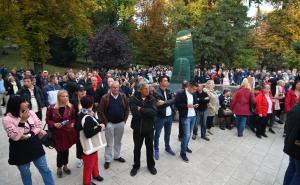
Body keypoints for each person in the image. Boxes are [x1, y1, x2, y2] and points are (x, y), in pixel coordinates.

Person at [2, 95, 55, 185]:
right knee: (26, 173)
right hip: (19, 149)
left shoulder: (30, 112)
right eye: (24, 101)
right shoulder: (7, 119)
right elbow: (15, 136)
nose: (27, 103)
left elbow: (38, 126)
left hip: (34, 144)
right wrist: (22, 121)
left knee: (45, 169)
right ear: (17, 104)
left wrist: (30, 134)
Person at [98, 81, 129, 170]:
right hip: (110, 124)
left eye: (117, 87)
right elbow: (100, 111)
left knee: (118, 141)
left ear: (119, 87)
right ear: (110, 88)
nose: (115, 89)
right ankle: (108, 159)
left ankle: (117, 156)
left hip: (120, 123)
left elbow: (127, 109)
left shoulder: (123, 96)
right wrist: (106, 123)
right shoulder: (105, 98)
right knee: (109, 143)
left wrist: (124, 121)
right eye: (114, 87)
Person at [46, 90, 77, 178]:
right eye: (63, 96)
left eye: (67, 96)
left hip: (67, 133)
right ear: (59, 97)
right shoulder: (52, 107)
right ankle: (59, 167)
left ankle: (65, 166)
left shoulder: (70, 107)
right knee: (60, 151)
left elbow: (74, 118)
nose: (65, 98)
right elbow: (47, 120)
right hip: (57, 134)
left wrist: (73, 123)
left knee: (66, 150)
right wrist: (54, 124)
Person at [129, 83, 157, 176]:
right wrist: (146, 111)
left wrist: (141, 109)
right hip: (138, 129)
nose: (147, 90)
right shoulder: (133, 99)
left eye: (148, 88)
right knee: (137, 148)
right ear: (140, 90)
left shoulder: (152, 98)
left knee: (149, 148)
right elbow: (134, 113)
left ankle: (151, 165)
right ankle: (136, 166)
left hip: (149, 128)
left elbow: (153, 112)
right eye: (145, 89)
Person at [78, 96, 105, 185]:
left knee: (95, 160)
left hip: (91, 144)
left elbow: (95, 120)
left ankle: (96, 174)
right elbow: (88, 133)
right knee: (88, 166)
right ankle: (87, 182)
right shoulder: (87, 117)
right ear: (91, 104)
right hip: (88, 145)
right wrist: (100, 128)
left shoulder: (84, 113)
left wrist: (98, 123)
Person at [153, 76, 176, 160]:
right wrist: (168, 102)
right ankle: (156, 149)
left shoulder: (169, 91)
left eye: (167, 80)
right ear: (160, 82)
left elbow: (174, 100)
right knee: (157, 135)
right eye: (165, 80)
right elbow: (159, 104)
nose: (167, 82)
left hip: (169, 116)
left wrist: (165, 102)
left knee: (168, 133)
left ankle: (167, 147)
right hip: (160, 117)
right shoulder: (156, 92)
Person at [175, 81, 198, 162]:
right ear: (189, 87)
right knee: (187, 134)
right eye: (194, 89)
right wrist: (187, 105)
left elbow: (195, 101)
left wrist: (195, 105)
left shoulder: (194, 94)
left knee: (189, 133)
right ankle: (183, 153)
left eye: (196, 89)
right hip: (185, 117)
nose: (195, 91)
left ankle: (185, 146)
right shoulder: (180, 93)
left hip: (193, 116)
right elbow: (177, 105)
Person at [283, 101, 300, 185]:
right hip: (297, 146)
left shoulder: (295, 107)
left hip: (291, 143)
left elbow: (287, 126)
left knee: (292, 167)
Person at [71, 84, 87, 168]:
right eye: (81, 90)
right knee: (79, 142)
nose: (83, 92)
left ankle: (86, 156)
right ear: (77, 92)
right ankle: (80, 158)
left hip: (86, 123)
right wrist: (77, 115)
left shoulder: (88, 99)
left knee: (86, 140)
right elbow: (71, 114)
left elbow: (93, 110)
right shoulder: (73, 101)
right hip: (77, 124)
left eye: (84, 90)